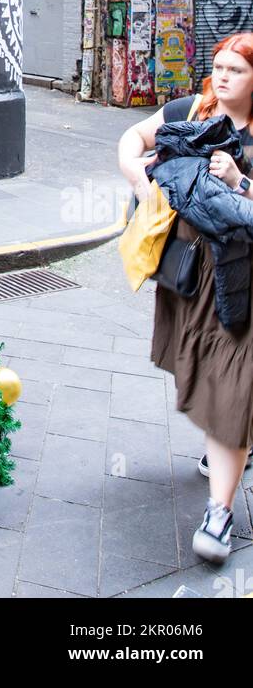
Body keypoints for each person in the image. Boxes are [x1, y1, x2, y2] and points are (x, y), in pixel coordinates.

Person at [118, 33, 253, 565]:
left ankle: (219, 513)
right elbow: (133, 138)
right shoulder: (192, 109)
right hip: (193, 276)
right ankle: (231, 436)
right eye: (218, 67)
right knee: (207, 372)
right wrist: (138, 179)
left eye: (236, 70)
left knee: (233, 385)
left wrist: (241, 181)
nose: (222, 77)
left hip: (244, 280)